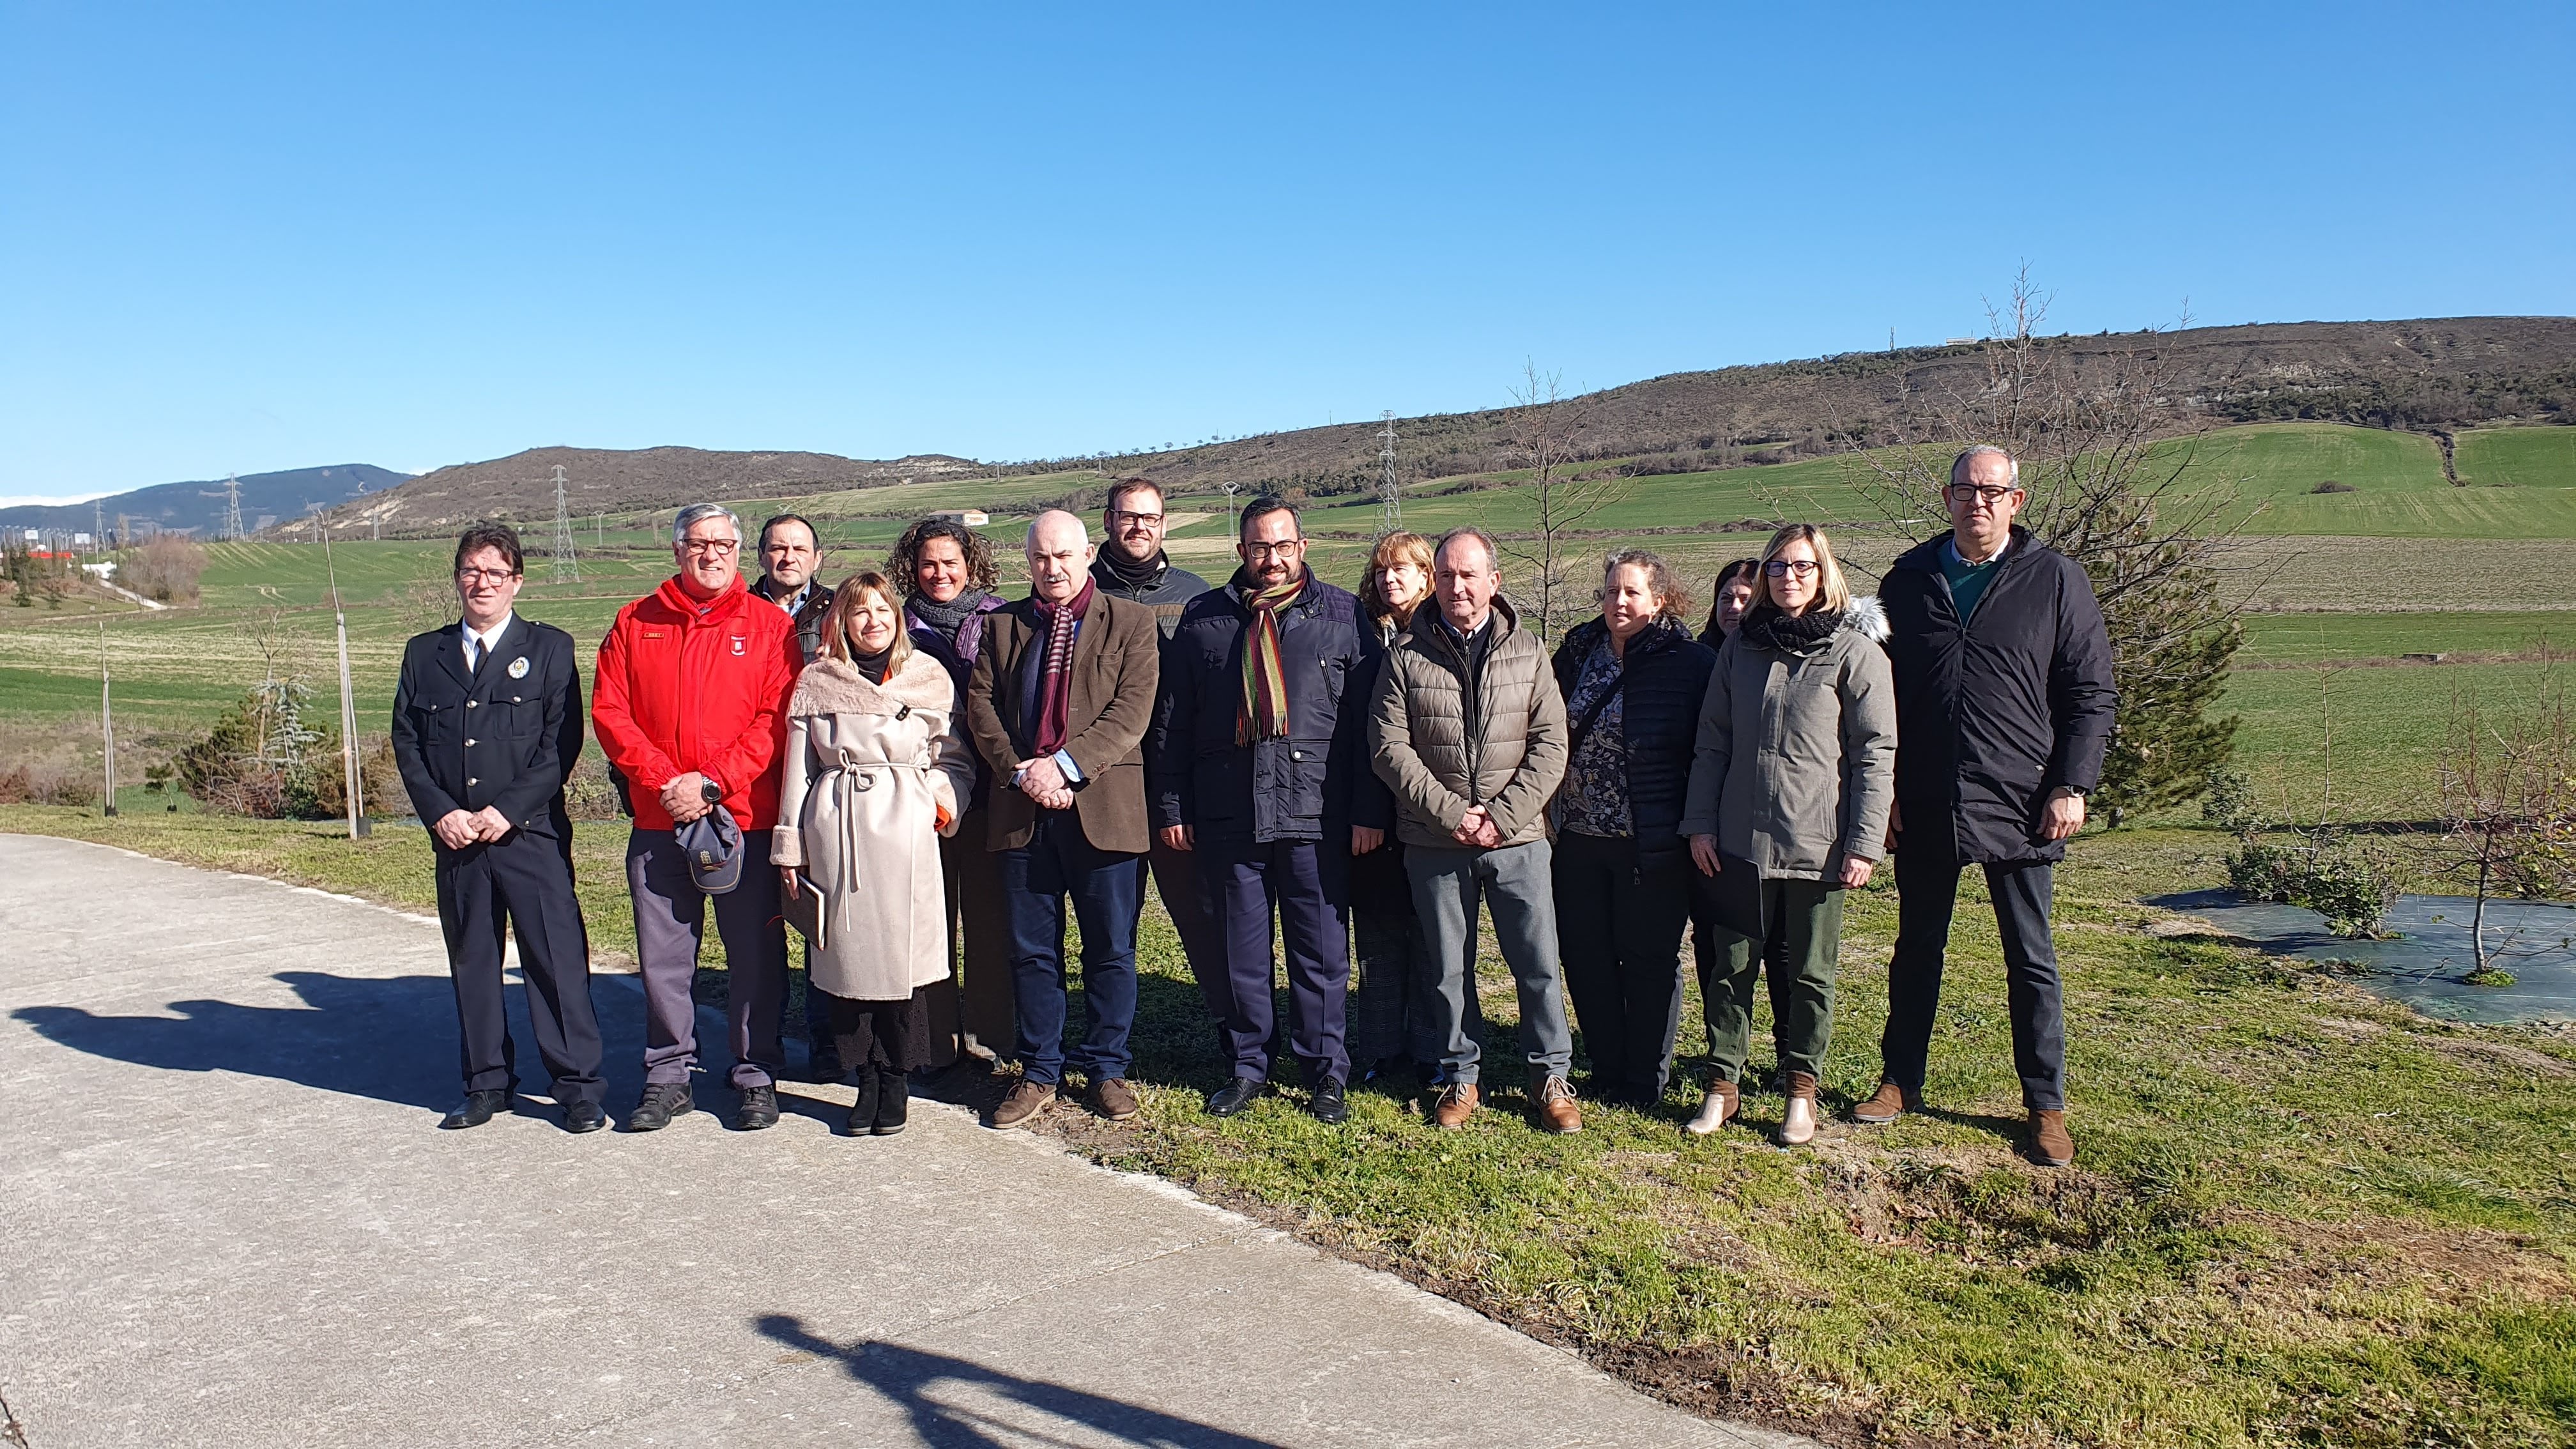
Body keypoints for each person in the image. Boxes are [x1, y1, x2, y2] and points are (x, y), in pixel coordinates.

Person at [1857, 445, 2116, 1168]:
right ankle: (1899, 1082)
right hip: (1927, 798)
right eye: (1966, 489)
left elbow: (2090, 694)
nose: (1978, 501)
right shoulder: (1904, 582)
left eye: (1992, 490)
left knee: (2030, 958)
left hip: (2022, 799)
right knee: (1916, 952)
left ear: (2017, 500)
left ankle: (2045, 1104)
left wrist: (2072, 784)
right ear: (1946, 498)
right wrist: (1882, 794)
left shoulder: (2057, 580)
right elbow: (1869, 692)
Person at [1151, 498, 1382, 1124]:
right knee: (1242, 954)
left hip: (1318, 816)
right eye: (1259, 548)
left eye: (1283, 546)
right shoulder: (1205, 620)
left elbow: (1367, 729)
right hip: (1232, 817)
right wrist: (1173, 804)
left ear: (1302, 547)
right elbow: (1173, 725)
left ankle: (1325, 1072)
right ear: (1242, 553)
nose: (1272, 559)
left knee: (1321, 953)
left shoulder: (1343, 617)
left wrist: (1367, 811)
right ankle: (1249, 1066)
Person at [1679, 526, 1896, 1144]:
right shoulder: (1740, 648)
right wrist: (1699, 824)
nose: (1789, 577)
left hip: (1818, 843)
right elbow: (1712, 742)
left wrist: (1864, 841)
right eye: (1778, 567)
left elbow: (1875, 751)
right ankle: (1723, 1085)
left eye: (1802, 566)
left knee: (1809, 973)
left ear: (1823, 572)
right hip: (1737, 841)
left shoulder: (1853, 650)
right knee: (1730, 968)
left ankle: (1801, 1089)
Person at [592, 503, 802, 1133]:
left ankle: (755, 1075)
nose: (711, 554)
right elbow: (611, 714)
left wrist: (711, 784)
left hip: (742, 819)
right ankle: (668, 1075)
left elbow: (774, 723)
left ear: (739, 550)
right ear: (677, 550)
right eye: (697, 543)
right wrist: (666, 783)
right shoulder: (636, 622)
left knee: (755, 958)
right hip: (660, 822)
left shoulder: (769, 628)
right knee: (663, 957)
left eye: (723, 543)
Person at [390, 522, 605, 1133]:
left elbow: (560, 744)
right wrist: (441, 814)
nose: (481, 583)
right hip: (457, 837)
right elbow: (407, 742)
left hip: (528, 834)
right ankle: (486, 1082)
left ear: (517, 582)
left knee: (555, 960)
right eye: (471, 571)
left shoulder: (550, 648)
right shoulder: (423, 653)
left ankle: (579, 1086)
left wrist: (505, 811)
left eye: (495, 573)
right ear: (457, 578)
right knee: (474, 961)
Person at [1369, 526, 1579, 1133]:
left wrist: (1502, 815)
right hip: (1436, 841)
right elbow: (1388, 747)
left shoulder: (1529, 651)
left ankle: (1550, 1076)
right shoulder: (1405, 655)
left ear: (1494, 580)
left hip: (1518, 842)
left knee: (1538, 963)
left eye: (1468, 575)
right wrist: (1452, 814)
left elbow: (1551, 743)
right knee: (1446, 967)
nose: (1456, 586)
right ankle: (1460, 1076)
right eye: (1446, 575)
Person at [966, 510, 1163, 1129]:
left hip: (1105, 811)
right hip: (1024, 810)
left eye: (1063, 557)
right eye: (1040, 559)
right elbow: (981, 710)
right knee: (1031, 952)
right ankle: (1041, 1069)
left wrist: (1068, 767)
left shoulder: (1132, 623)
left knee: (1111, 950)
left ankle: (1107, 1068)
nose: (1052, 569)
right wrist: (1023, 771)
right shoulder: (1001, 628)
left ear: (1086, 557)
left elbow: (1132, 712)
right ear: (1029, 563)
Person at [772, 572, 975, 1137]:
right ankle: (863, 1075)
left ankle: (898, 1075)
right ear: (841, 622)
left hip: (908, 831)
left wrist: (937, 805)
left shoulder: (927, 678)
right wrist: (790, 845)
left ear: (897, 615)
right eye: (859, 612)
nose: (873, 622)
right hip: (840, 829)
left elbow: (955, 758)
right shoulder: (817, 681)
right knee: (847, 963)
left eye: (882, 609)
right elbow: (799, 770)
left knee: (904, 964)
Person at [1549, 549, 1717, 1110]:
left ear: (1659, 600)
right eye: (1611, 592)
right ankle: (1607, 1065)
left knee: (1647, 959)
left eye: (1632, 593)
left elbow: (1708, 751)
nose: (1619, 603)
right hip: (1576, 837)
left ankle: (1646, 1079)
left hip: (1652, 841)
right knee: (1586, 955)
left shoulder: (1691, 664)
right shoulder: (1576, 653)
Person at [1086, 478, 1226, 1024]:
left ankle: (1232, 1030)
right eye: (1128, 516)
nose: (1139, 527)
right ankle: (1111, 1041)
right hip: (1106, 782)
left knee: (1202, 914)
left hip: (1178, 783)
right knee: (1111, 920)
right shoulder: (1085, 591)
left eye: (1150, 517)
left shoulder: (1196, 597)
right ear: (1108, 521)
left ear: (1164, 524)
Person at [888, 516, 1015, 1064]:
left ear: (971, 564)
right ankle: (933, 1043)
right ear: (912, 568)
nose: (940, 573)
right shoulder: (894, 624)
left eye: (950, 563)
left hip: (992, 793)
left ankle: (992, 1037)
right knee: (927, 921)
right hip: (919, 797)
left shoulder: (1002, 618)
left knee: (990, 920)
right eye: (928, 564)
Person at [749, 512, 850, 1082]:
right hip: (756, 776)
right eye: (778, 548)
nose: (789, 557)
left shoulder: (838, 609)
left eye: (799, 548)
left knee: (821, 918)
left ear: (817, 558)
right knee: (762, 922)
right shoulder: (737, 611)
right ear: (762, 555)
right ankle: (762, 1040)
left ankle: (827, 1043)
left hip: (823, 776)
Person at [1346, 530, 1444, 1086]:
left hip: (1432, 810)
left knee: (1433, 939)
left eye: (1404, 569)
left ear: (1429, 576)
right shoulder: (1361, 635)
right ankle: (1382, 1052)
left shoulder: (1444, 635)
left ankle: (1434, 1052)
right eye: (1383, 569)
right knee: (1380, 941)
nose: (1390, 579)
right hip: (1373, 812)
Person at [1687, 557, 1762, 1073]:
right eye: (1726, 598)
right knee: (1712, 937)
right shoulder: (1695, 660)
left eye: (1745, 597)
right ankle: (1722, 1052)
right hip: (1704, 823)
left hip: (1764, 820)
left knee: (1775, 946)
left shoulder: (1770, 656)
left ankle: (1784, 1055)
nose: (1734, 608)